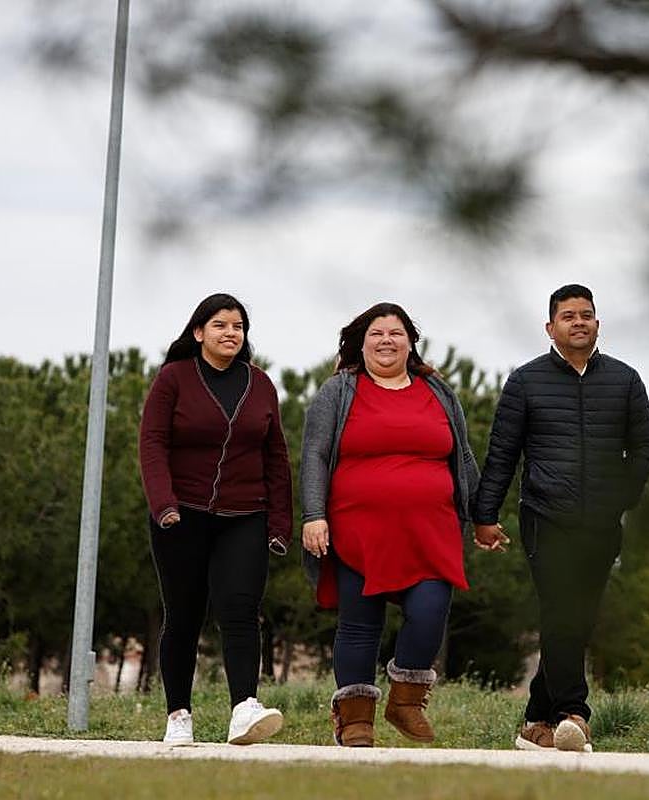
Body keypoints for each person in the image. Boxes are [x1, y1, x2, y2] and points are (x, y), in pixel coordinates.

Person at [472, 284, 649, 753]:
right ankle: (574, 714)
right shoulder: (526, 381)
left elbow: (644, 446)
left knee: (579, 618)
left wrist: (622, 498)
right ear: (550, 327)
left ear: (598, 324)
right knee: (562, 611)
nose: (579, 321)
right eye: (569, 315)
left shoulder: (625, 380)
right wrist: (485, 515)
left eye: (587, 314)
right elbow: (502, 455)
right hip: (545, 516)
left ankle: (536, 720)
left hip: (600, 521)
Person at [300, 302, 482, 747]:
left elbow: (462, 457)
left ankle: (405, 701)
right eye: (376, 333)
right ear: (360, 344)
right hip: (357, 529)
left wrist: (484, 517)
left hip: (430, 530)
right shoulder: (338, 391)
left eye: (395, 333)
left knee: (430, 611)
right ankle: (355, 718)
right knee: (360, 623)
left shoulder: (438, 391)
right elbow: (315, 455)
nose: (386, 340)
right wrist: (313, 514)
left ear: (410, 342)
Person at [139, 293, 291, 746]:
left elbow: (276, 455)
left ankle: (244, 708)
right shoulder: (173, 379)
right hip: (180, 516)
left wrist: (280, 522)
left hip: (245, 515)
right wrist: (164, 504)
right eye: (221, 325)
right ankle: (178, 715)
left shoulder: (259, 384)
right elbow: (152, 444)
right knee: (183, 616)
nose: (231, 333)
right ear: (198, 332)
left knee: (241, 609)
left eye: (238, 326)